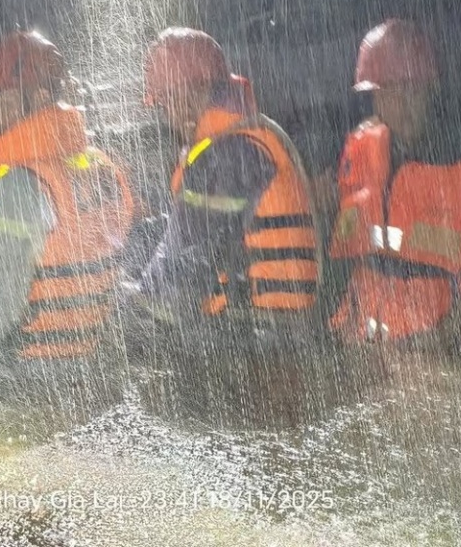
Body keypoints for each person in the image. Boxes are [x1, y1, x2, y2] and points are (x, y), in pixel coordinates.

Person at [325, 19, 461, 354]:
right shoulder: (364, 155)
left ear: (432, 91)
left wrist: (441, 341)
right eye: (388, 93)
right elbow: (361, 262)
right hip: (379, 354)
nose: (400, 105)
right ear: (373, 96)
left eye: (412, 91)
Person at [0, 30, 138, 368]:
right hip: (87, 369)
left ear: (40, 97)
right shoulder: (104, 168)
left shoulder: (19, 184)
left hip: (20, 380)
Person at [134, 27, 321, 344]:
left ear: (199, 88)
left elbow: (181, 281)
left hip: (252, 343)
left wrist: (127, 301)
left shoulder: (226, 156)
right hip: (276, 334)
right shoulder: (245, 141)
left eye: (168, 101)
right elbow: (196, 235)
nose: (167, 116)